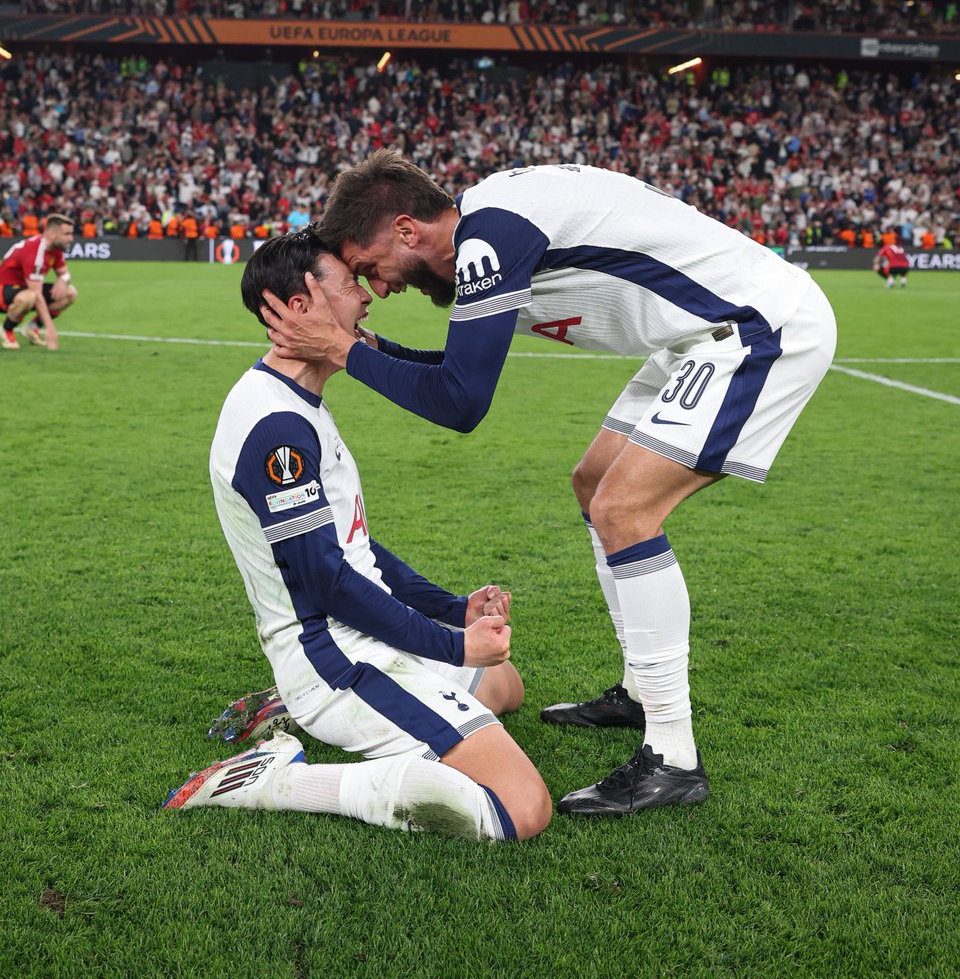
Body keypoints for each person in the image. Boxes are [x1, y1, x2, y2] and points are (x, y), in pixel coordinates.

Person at [260, 151, 838, 817]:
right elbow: (458, 369)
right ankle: (640, 693)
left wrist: (341, 350)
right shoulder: (488, 228)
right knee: (595, 484)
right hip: (696, 337)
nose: (381, 288)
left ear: (405, 231)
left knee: (626, 510)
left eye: (371, 267)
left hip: (754, 328)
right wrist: (369, 349)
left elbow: (460, 403)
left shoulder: (491, 235)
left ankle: (673, 756)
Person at [164, 226, 551, 842]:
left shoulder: (299, 401)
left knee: (505, 685)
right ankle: (275, 781)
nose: (368, 295)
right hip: (334, 656)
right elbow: (328, 584)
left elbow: (354, 548)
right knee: (521, 810)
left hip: (363, 635)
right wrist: (453, 645)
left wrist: (454, 609)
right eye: (349, 284)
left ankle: (296, 712)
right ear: (301, 306)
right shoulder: (277, 428)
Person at [0, 214, 77, 350]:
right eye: (67, 234)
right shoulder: (34, 251)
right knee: (30, 297)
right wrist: (50, 328)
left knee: (70, 292)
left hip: (25, 289)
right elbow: (37, 294)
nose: (71, 238)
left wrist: (62, 280)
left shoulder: (55, 249)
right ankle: (6, 330)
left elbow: (65, 273)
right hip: (4, 289)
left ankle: (31, 328)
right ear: (52, 234)